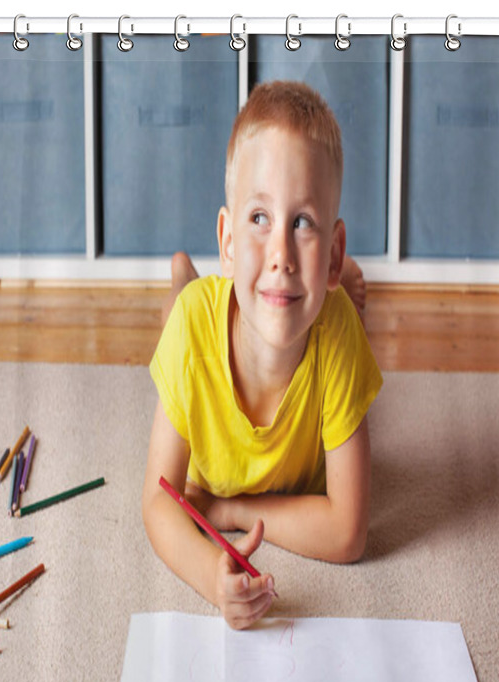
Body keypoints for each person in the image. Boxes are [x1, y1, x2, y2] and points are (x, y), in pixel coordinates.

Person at [142, 81, 383, 630]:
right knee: (182, 312)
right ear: (227, 240)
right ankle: (185, 277)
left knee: (336, 316)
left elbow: (349, 532)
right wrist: (212, 576)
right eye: (258, 219)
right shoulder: (195, 333)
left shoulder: (336, 333)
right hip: (203, 315)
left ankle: (336, 283)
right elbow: (158, 501)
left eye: (301, 223)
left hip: (320, 304)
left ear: (332, 250)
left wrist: (226, 510)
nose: (279, 254)